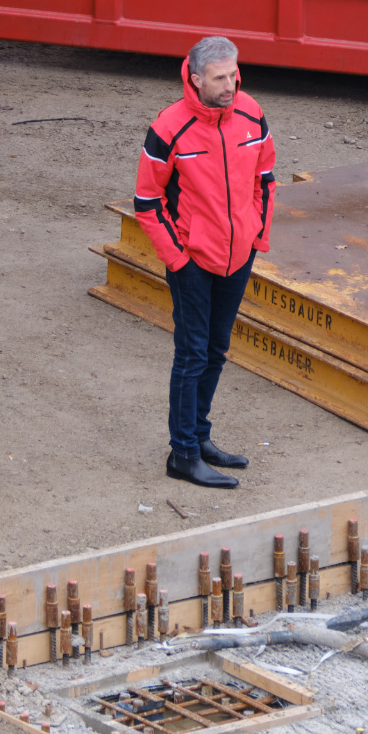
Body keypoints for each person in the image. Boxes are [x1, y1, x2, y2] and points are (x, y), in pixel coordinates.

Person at [133, 36, 276, 488]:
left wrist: (256, 235)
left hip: (238, 256)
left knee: (216, 350)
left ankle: (200, 436)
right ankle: (183, 454)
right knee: (192, 355)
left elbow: (265, 180)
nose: (231, 84)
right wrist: (177, 259)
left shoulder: (252, 114)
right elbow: (146, 200)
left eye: (234, 74)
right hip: (193, 262)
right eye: (220, 78)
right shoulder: (169, 127)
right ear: (195, 78)